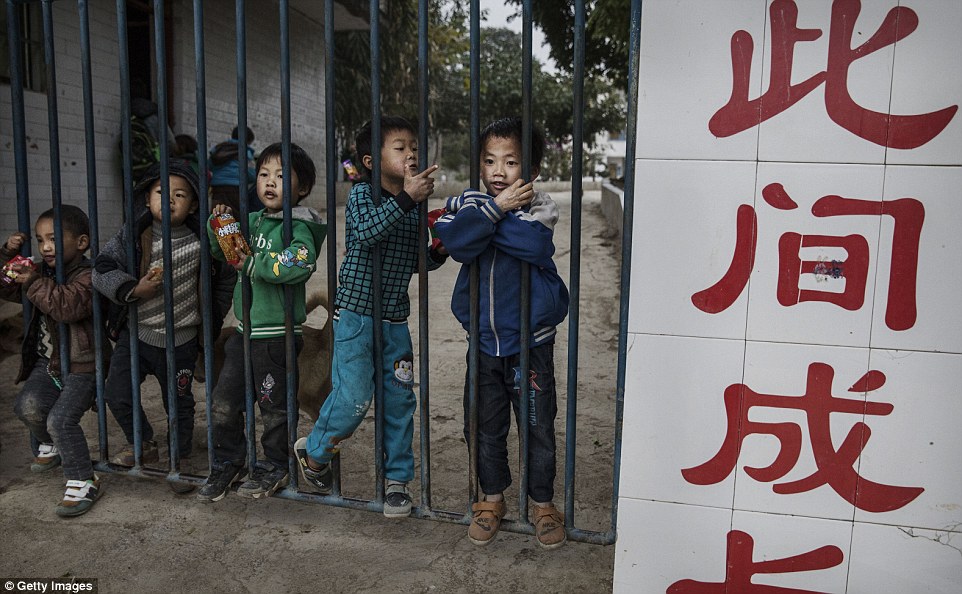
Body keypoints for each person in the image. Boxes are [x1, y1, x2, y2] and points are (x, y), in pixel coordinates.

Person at [293, 116, 445, 519]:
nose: (411, 153)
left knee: (400, 403)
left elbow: (416, 260)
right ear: (371, 161)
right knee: (354, 398)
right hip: (356, 318)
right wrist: (406, 199)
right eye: (400, 147)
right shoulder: (363, 195)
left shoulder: (412, 206)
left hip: (395, 321)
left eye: (414, 146)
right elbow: (366, 234)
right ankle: (315, 453)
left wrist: (442, 248)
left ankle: (397, 482)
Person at [434, 117, 570, 549]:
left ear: (530, 172)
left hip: (532, 344)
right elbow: (456, 244)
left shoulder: (541, 204)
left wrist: (484, 227)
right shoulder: (469, 202)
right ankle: (492, 499)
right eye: (490, 161)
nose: (498, 171)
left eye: (510, 162)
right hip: (484, 343)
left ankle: (543, 503)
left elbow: (534, 246)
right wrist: (494, 211)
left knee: (537, 427)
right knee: (483, 426)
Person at [93, 160, 236, 491]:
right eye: (161, 193)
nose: (169, 200)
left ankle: (180, 459)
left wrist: (225, 223)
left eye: (180, 194)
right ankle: (142, 442)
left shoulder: (205, 238)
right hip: (137, 335)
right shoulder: (134, 234)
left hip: (182, 340)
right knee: (117, 393)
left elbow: (231, 268)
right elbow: (100, 268)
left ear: (194, 203)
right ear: (147, 198)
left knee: (179, 404)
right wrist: (132, 289)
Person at [198, 142, 325, 502]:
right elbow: (222, 253)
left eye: (282, 176)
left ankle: (275, 465)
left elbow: (297, 265)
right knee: (223, 402)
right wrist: (216, 226)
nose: (270, 181)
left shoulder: (300, 229)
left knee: (274, 408)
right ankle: (228, 462)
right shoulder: (251, 222)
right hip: (244, 333)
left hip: (276, 339)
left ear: (302, 189)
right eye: (264, 174)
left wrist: (254, 264)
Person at [1, 205, 105, 517]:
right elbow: (5, 289)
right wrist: (7, 256)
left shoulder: (90, 276)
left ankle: (83, 478)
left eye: (54, 239)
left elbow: (66, 307)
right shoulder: (39, 272)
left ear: (82, 242)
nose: (46, 247)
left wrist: (31, 280)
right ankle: (56, 446)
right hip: (48, 362)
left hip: (84, 365)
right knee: (27, 407)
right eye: (40, 240)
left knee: (60, 420)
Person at [209, 126, 258, 214]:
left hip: (217, 188)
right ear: (248, 140)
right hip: (236, 188)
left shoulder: (218, 149)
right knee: (236, 216)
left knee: (217, 214)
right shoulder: (246, 152)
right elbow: (251, 174)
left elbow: (209, 165)